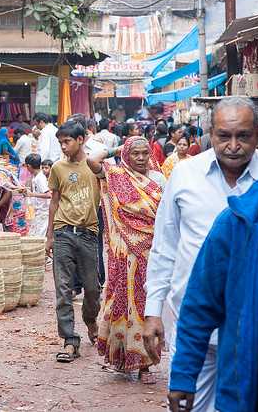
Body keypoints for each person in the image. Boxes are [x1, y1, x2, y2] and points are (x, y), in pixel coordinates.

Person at [143, 97, 258, 412]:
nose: (233, 145)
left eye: (243, 136)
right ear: (211, 134)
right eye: (225, 136)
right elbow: (165, 246)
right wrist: (153, 310)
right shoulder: (185, 175)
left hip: (245, 335)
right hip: (191, 323)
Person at [87, 137, 164, 383]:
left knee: (145, 305)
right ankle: (122, 357)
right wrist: (116, 149)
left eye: (145, 153)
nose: (141, 158)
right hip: (124, 253)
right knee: (124, 303)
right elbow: (92, 159)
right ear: (126, 155)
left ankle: (145, 365)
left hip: (151, 250)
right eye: (135, 154)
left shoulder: (159, 180)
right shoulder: (115, 174)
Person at [45, 120, 101, 363]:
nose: (63, 146)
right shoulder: (57, 168)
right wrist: (49, 236)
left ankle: (90, 319)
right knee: (63, 289)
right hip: (63, 233)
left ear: (81, 139)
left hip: (89, 233)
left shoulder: (95, 166)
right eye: (60, 142)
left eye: (67, 141)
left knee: (92, 289)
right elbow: (54, 202)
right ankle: (69, 340)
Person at [24, 153, 51, 237]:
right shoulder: (36, 177)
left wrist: (32, 194)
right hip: (39, 211)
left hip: (43, 212)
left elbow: (48, 195)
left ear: (29, 166)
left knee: (38, 237)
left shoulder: (40, 178)